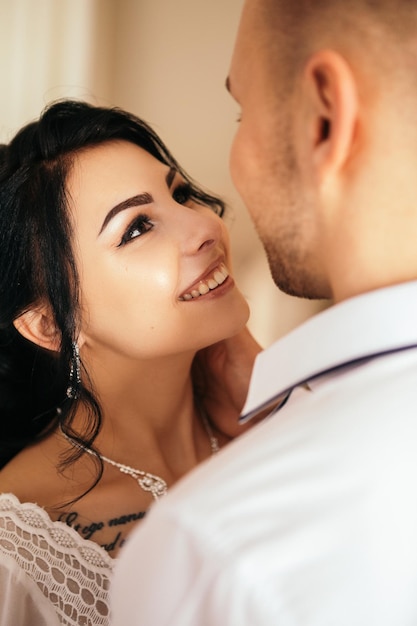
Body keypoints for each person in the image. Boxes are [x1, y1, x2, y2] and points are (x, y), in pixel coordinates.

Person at [110, 0, 417, 624]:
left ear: (325, 116)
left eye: (242, 110)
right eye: (137, 226)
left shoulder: (219, 549)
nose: (204, 224)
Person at [0, 99, 258, 626]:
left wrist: (278, 399)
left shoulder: (279, 423)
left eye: (180, 193)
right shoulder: (19, 557)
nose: (203, 228)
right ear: (50, 323)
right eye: (138, 227)